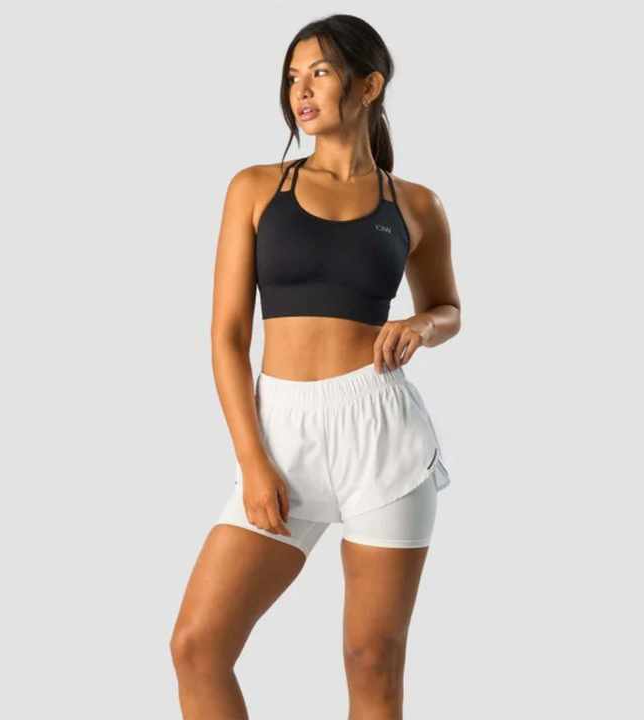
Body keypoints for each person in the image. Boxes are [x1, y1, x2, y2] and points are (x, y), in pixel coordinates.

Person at [170, 14, 461, 719]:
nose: (300, 91)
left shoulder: (414, 203)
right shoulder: (255, 188)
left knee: (373, 660)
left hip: (382, 435)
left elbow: (448, 307)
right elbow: (228, 336)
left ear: (369, 85)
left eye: (320, 73)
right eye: (292, 77)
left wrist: (420, 325)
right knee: (198, 647)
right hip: (281, 433)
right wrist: (253, 460)